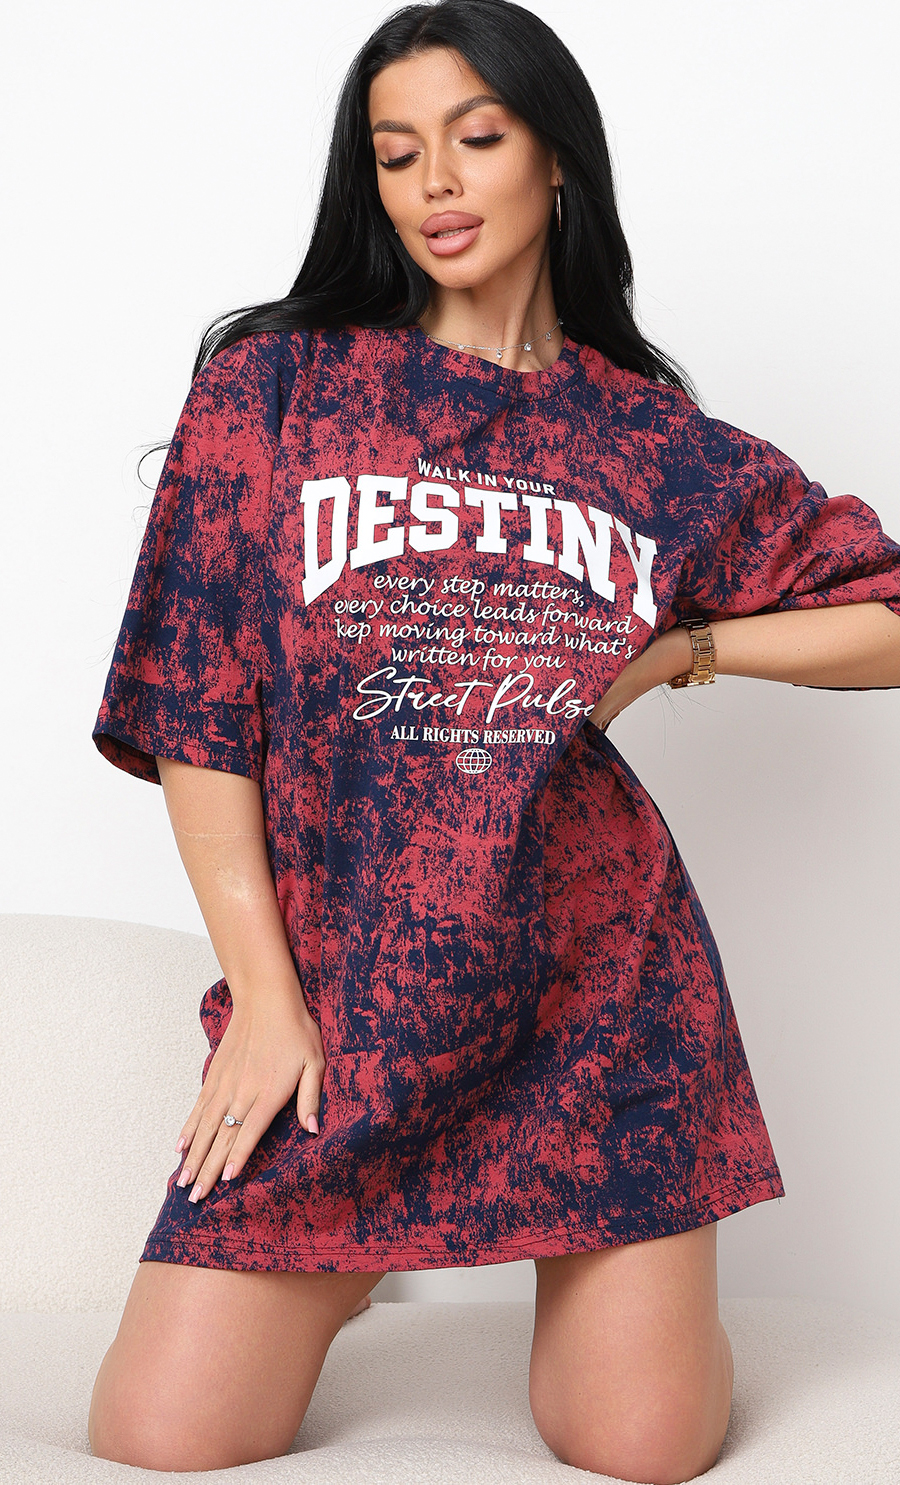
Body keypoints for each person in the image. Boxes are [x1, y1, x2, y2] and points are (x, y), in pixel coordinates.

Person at [86, 1, 900, 1479]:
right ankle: (358, 1252)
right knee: (162, 1436)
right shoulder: (275, 391)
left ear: (557, 159)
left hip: (600, 994)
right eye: (397, 154)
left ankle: (639, 1273)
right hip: (346, 1001)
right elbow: (195, 697)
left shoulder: (653, 443)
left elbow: (888, 617)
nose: (438, 184)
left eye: (476, 138)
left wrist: (683, 650)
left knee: (640, 1447)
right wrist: (266, 996)